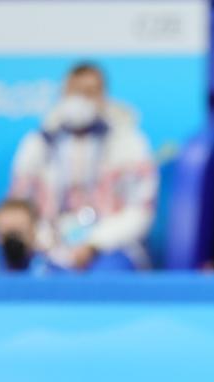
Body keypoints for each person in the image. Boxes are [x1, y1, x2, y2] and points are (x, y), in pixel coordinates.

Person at [9, 62, 157, 272]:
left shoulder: (130, 143)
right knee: (38, 277)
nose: (81, 99)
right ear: (63, 93)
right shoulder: (37, 144)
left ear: (103, 96)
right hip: (49, 246)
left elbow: (140, 211)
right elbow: (19, 207)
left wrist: (95, 243)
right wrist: (48, 241)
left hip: (111, 246)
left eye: (90, 92)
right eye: (75, 91)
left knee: (107, 278)